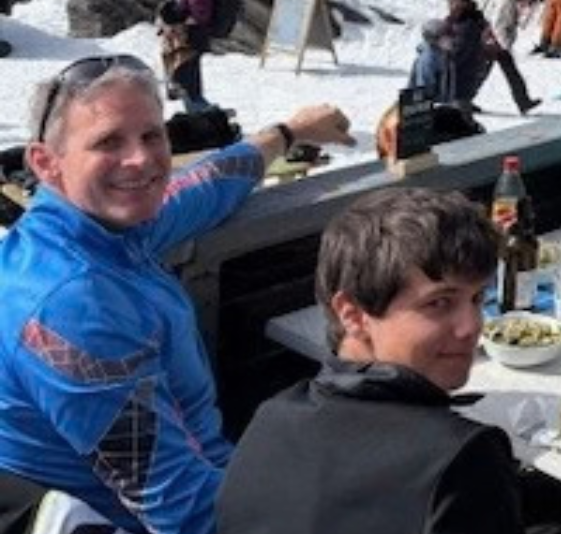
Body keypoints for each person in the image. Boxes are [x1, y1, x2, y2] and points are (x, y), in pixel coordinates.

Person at [0, 56, 350, 534]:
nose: (141, 160)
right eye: (108, 142)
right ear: (46, 163)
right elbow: (178, 508)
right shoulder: (72, 306)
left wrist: (287, 133)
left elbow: (199, 187)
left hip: (216, 474)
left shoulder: (100, 226)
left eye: (151, 135)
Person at [217, 188, 526, 534]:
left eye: (477, 298)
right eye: (439, 303)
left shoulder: (271, 420)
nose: (472, 326)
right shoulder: (461, 461)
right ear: (352, 314)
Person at [161, 0, 216, 111]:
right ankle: (201, 114)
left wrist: (179, 25)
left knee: (187, 83)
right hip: (191, 40)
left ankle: (202, 116)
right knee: (188, 82)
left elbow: (201, 14)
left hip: (190, 40)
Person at [483, 0, 540, 115]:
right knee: (510, 74)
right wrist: (502, 43)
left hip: (494, 42)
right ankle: (523, 101)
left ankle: (523, 101)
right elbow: (499, 24)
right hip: (498, 43)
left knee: (484, 72)